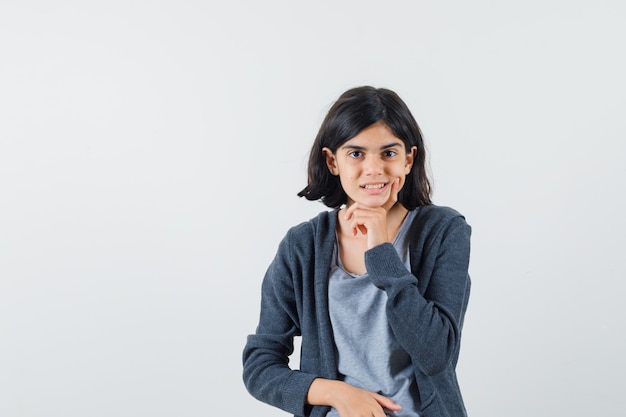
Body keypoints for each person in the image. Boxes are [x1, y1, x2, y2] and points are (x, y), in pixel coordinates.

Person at [242, 86, 471, 417]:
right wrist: (337, 394)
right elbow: (260, 365)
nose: (374, 169)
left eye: (389, 153)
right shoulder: (303, 246)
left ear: (409, 159)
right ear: (332, 161)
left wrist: (381, 252)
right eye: (356, 154)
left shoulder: (444, 231)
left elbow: (437, 356)